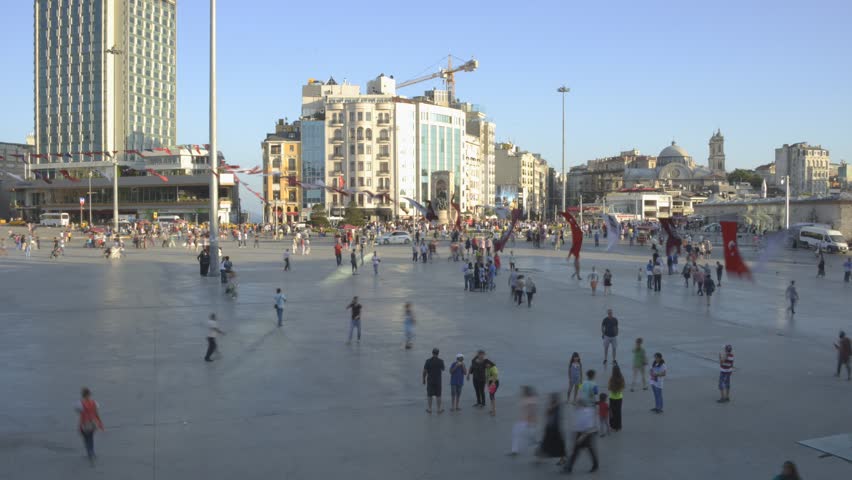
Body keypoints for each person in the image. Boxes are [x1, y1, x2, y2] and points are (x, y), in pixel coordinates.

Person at [562, 402, 599, 474]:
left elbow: (589, 426)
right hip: (581, 433)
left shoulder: (586, 413)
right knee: (584, 450)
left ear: (581, 405)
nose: (575, 406)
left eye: (577, 405)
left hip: (585, 434)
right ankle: (569, 467)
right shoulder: (579, 411)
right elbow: (577, 423)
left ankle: (569, 467)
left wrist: (581, 436)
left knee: (582, 450)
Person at [75, 387, 104, 465]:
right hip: (92, 423)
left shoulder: (79, 403)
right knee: (91, 437)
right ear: (89, 395)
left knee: (85, 438)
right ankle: (92, 452)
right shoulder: (94, 402)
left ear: (82, 395)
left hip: (84, 423)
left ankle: (89, 452)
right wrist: (99, 422)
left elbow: (78, 411)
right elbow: (96, 412)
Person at [537, 393, 567, 465]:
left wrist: (552, 406)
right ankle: (540, 458)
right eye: (551, 398)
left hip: (555, 428)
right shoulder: (553, 405)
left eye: (552, 398)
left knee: (559, 444)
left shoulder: (557, 406)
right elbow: (547, 413)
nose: (551, 399)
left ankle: (563, 459)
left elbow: (550, 412)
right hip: (550, 427)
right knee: (545, 443)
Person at [509, 386, 538, 456]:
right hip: (524, 421)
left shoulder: (529, 400)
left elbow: (531, 411)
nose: (521, 393)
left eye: (523, 391)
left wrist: (530, 421)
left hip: (526, 422)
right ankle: (515, 450)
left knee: (517, 433)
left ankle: (515, 450)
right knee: (516, 433)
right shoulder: (529, 399)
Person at [423, 348, 445, 414]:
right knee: (438, 395)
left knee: (429, 395)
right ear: (438, 353)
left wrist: (423, 379)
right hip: (438, 380)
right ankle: (438, 409)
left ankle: (429, 409)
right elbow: (443, 369)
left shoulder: (428, 361)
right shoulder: (441, 361)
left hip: (430, 380)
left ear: (432, 353)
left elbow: (424, 371)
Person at [608, 365, 625, 432]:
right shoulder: (621, 378)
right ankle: (618, 426)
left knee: (612, 412)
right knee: (618, 412)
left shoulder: (611, 378)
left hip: (612, 397)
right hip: (619, 397)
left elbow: (609, 388)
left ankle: (612, 425)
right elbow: (622, 387)